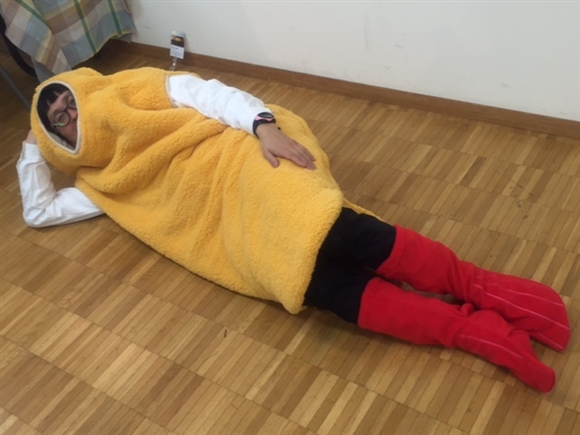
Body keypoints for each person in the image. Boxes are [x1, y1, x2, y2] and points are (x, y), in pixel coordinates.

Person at [19, 66, 570, 393]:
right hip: (221, 223)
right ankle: (469, 332)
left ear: (86, 92)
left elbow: (208, 94)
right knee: (314, 283)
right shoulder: (99, 184)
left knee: (337, 231)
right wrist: (31, 146)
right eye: (58, 120)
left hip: (242, 157)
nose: (72, 115)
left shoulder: (137, 90)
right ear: (54, 139)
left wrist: (263, 127)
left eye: (70, 102)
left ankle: (481, 288)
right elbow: (39, 211)